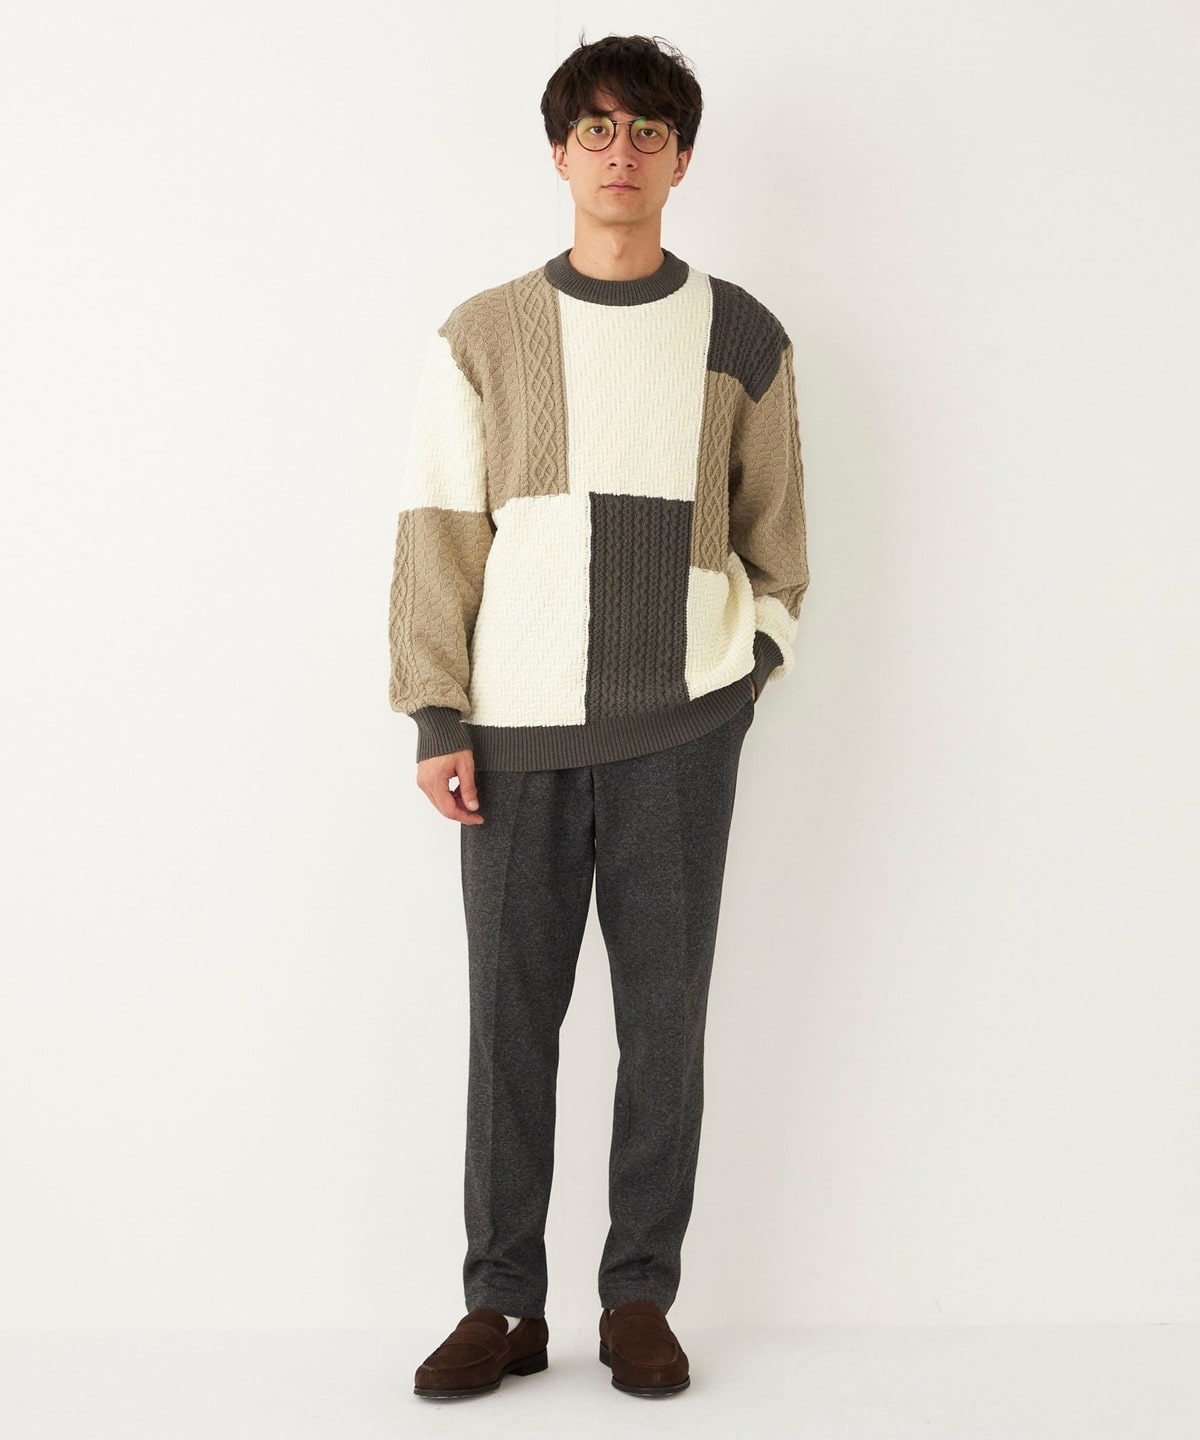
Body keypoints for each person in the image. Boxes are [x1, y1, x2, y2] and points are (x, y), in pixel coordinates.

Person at [388, 32, 809, 1401]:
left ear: (682, 160)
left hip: (680, 732)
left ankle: (639, 1296)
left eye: (648, 133)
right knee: (507, 1028)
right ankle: (501, 1303)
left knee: (663, 1025)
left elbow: (777, 541)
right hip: (511, 741)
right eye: (597, 130)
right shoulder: (483, 333)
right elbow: (441, 529)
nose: (621, 154)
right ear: (559, 153)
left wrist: (744, 676)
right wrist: (437, 712)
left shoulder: (741, 335)